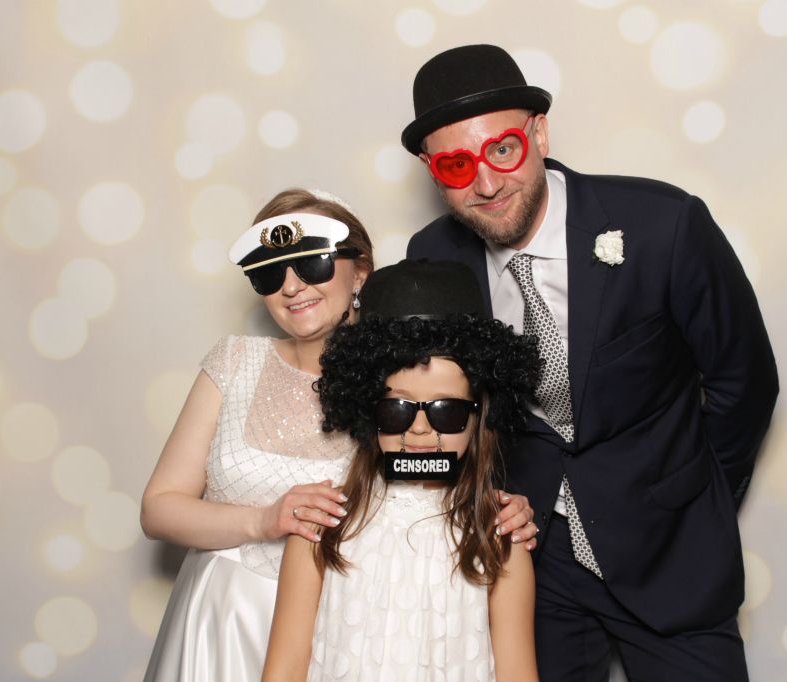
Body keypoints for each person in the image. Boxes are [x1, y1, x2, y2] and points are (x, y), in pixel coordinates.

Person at [403, 45, 780, 681]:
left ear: (539, 134)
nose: (487, 185)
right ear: (430, 169)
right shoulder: (433, 258)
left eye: (503, 150)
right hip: (531, 563)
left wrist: (695, 498)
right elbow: (439, 406)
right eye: (456, 165)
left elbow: (745, 383)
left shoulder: (663, 225)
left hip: (672, 552)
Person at [140, 190, 537, 681]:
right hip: (228, 618)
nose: (292, 286)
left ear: (360, 271)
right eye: (269, 272)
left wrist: (500, 507)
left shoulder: (407, 370)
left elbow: (447, 472)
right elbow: (159, 507)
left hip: (365, 624)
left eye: (313, 263)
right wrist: (264, 520)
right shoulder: (234, 361)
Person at [262, 259, 541, 682]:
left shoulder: (500, 537)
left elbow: (518, 673)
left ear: (478, 415)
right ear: (367, 410)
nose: (421, 429)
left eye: (446, 411)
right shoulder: (321, 526)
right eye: (397, 409)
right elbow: (283, 670)